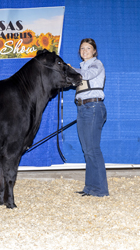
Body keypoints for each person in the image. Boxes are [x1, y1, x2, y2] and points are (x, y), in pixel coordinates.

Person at [72, 38, 108, 197]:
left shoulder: (96, 64)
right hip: (82, 108)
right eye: (82, 48)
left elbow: (88, 75)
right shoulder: (81, 68)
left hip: (93, 107)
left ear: (94, 51)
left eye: (88, 48)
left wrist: (70, 70)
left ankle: (100, 189)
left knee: (92, 149)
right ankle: (91, 187)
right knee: (87, 150)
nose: (84, 51)